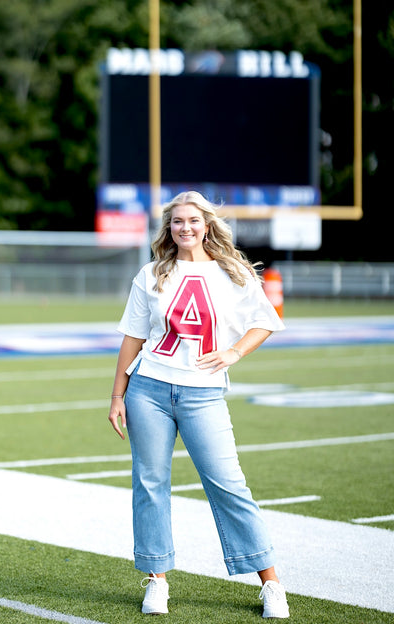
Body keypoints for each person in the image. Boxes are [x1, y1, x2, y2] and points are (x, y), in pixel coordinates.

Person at [108, 191, 289, 619]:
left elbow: (265, 321)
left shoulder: (233, 272)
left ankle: (272, 584)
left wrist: (234, 353)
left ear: (207, 224)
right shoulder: (151, 273)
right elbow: (132, 339)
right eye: (176, 222)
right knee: (149, 485)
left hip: (203, 393)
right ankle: (157, 580)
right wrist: (117, 395)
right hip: (148, 388)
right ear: (168, 228)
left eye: (192, 220)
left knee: (228, 484)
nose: (184, 228)